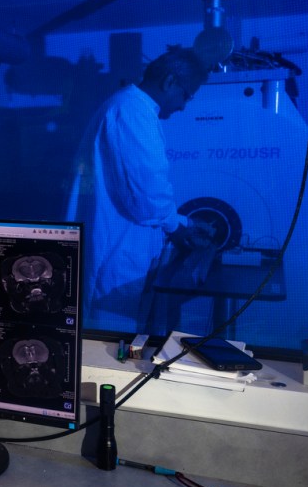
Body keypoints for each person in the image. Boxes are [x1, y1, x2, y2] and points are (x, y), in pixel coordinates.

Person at [68, 48, 214, 333]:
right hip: (115, 251)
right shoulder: (131, 112)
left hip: (124, 244)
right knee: (111, 339)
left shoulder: (134, 109)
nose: (184, 106)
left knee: (122, 334)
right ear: (170, 81)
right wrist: (178, 227)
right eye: (186, 95)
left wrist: (185, 222)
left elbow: (143, 189)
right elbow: (146, 195)